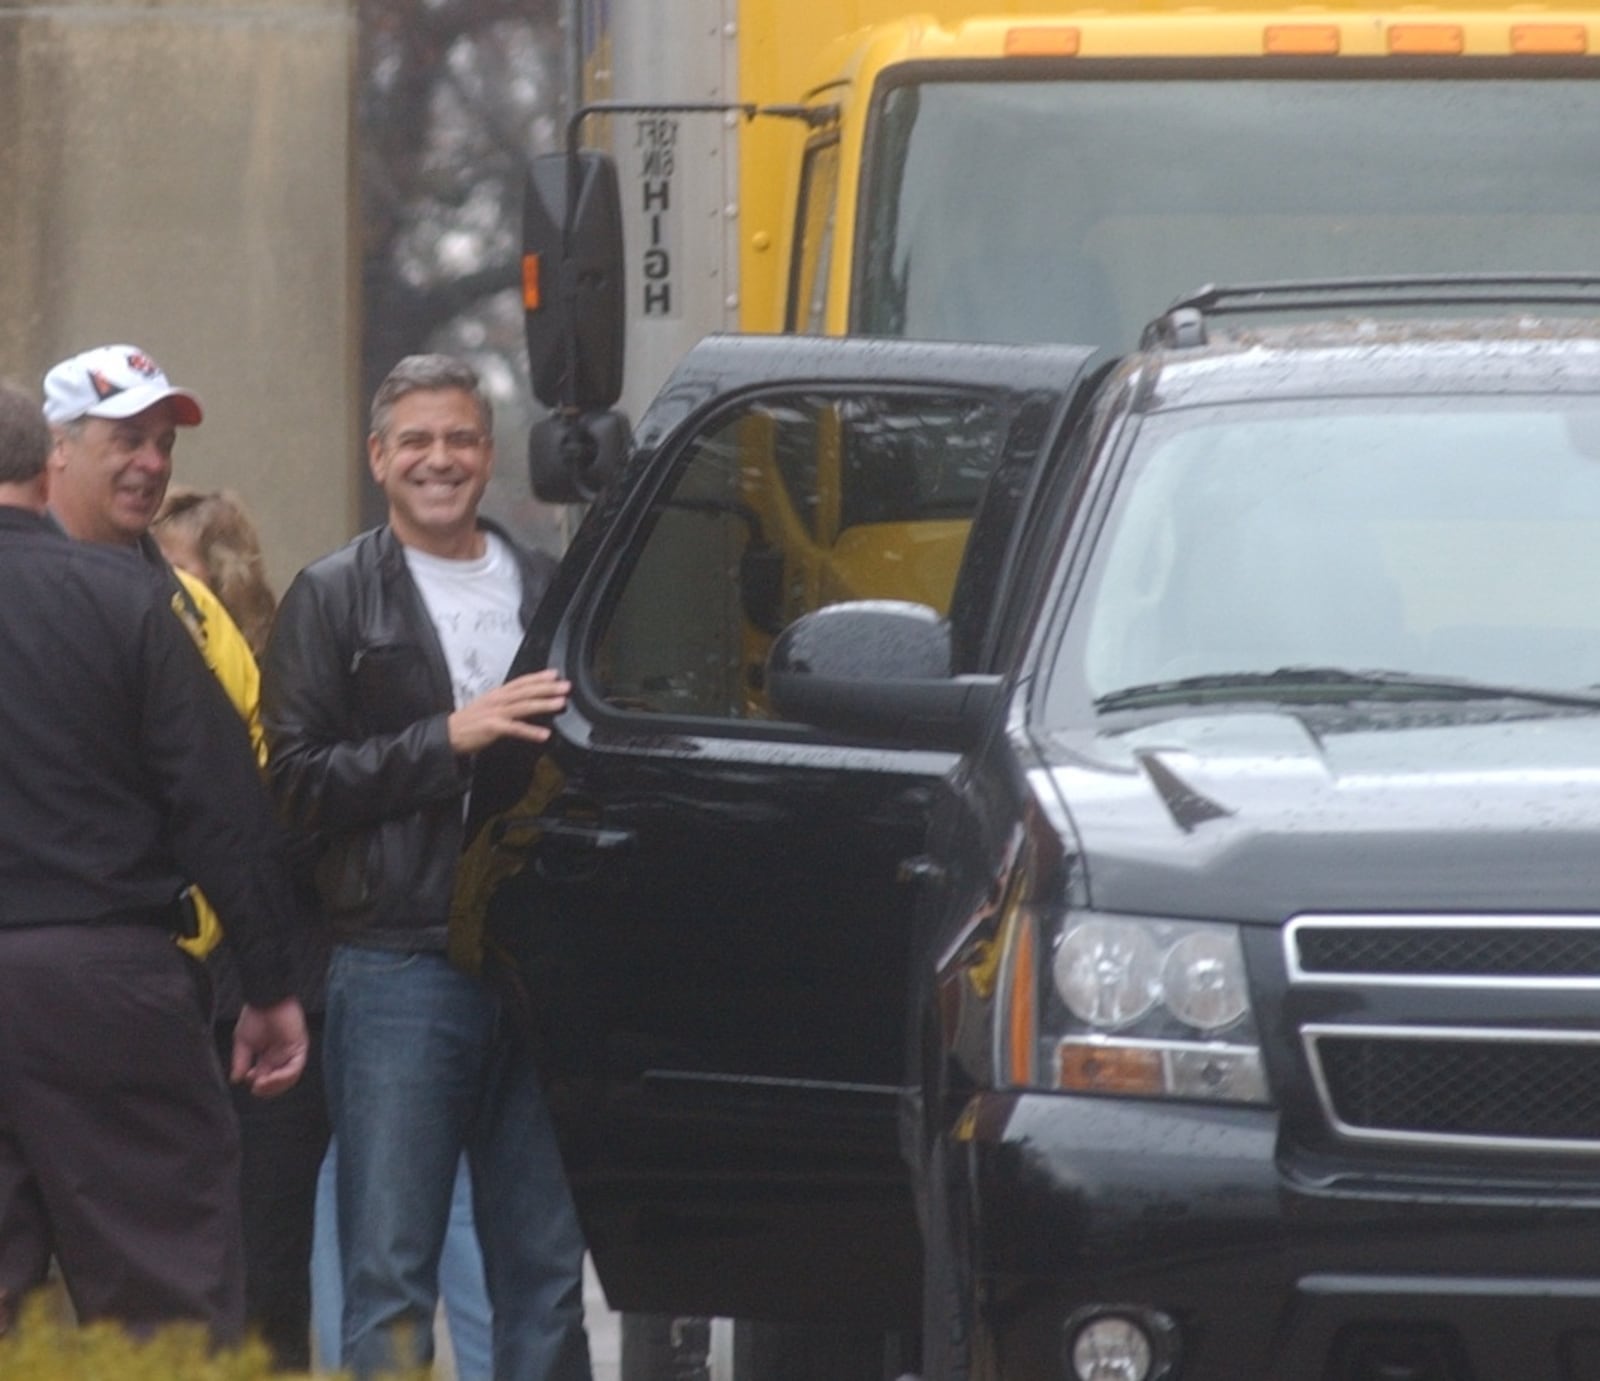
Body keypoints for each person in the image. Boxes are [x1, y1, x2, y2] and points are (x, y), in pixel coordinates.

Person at [261, 353, 591, 1381]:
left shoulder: (554, 588)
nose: (438, 460)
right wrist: (447, 738)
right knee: (389, 1273)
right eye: (416, 441)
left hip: (534, 968)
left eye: (458, 439)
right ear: (377, 457)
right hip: (395, 965)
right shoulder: (327, 594)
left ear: (488, 456)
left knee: (544, 1271)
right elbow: (294, 785)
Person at [0, 379, 308, 1341]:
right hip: (107, 983)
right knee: (161, 1296)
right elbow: (221, 803)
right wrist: (267, 982)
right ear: (44, 465)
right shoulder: (129, 604)